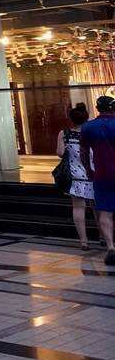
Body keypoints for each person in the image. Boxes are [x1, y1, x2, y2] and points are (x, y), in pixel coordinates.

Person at [80, 95, 115, 264]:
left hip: (101, 174)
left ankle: (111, 246)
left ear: (97, 108)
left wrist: (88, 170)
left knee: (105, 212)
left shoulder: (88, 127)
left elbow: (83, 153)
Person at [57, 105, 96, 250]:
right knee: (97, 207)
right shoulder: (92, 133)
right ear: (87, 118)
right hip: (93, 173)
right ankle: (103, 237)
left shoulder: (64, 133)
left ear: (71, 119)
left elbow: (60, 153)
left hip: (75, 175)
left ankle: (84, 241)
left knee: (78, 207)